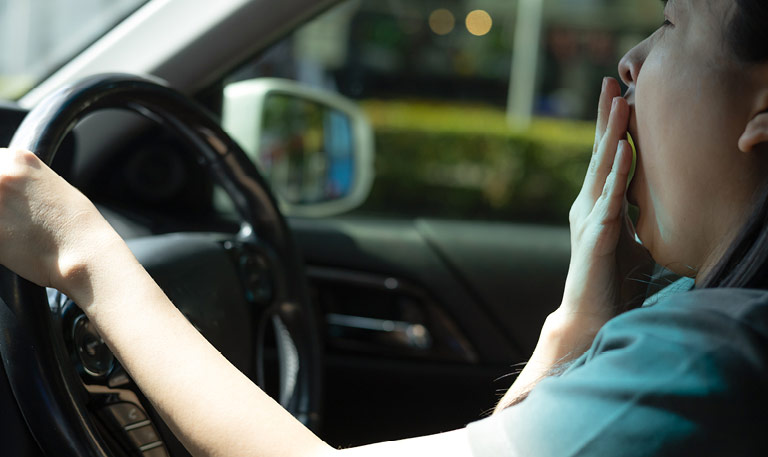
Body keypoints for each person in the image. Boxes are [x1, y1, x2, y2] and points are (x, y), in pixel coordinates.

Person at [1, 0, 767, 455]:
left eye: (672, 19)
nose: (630, 60)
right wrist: (577, 324)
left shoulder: (711, 360)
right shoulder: (690, 322)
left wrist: (79, 250)